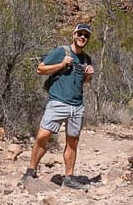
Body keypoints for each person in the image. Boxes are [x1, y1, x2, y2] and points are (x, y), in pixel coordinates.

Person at [22, 23, 95, 189]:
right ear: (74, 35)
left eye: (86, 35)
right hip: (58, 102)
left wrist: (88, 76)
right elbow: (40, 69)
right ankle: (30, 171)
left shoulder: (86, 59)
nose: (82, 37)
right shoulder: (61, 51)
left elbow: (82, 82)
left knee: (73, 142)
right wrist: (61, 65)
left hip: (76, 106)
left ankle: (69, 177)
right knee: (42, 136)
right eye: (80, 34)